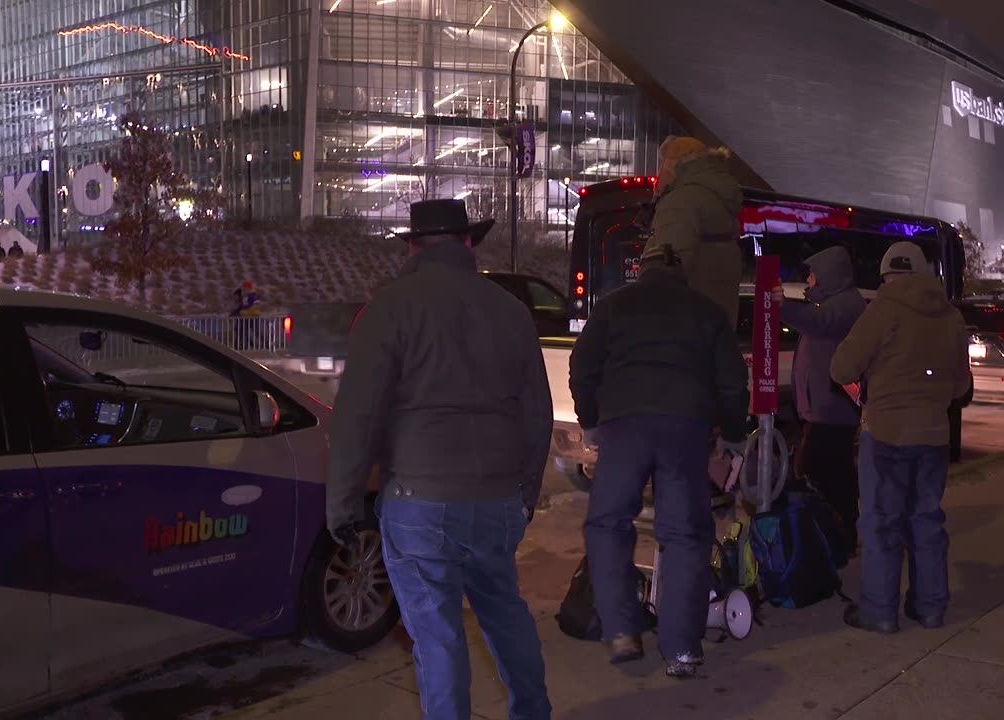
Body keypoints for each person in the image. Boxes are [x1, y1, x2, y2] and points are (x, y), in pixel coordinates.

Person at [326, 199, 553, 720]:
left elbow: (357, 416)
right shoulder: (511, 310)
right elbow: (537, 414)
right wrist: (525, 497)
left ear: (412, 245)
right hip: (497, 501)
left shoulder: (389, 307)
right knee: (506, 615)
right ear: (468, 242)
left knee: (438, 636)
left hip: (419, 502)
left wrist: (342, 505)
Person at [569, 243, 749, 678]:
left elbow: (582, 368)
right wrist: (733, 434)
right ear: (680, 275)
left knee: (608, 523)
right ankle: (682, 648)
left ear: (641, 271)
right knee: (686, 535)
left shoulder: (613, 307)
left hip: (623, 427)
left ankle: (622, 631)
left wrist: (590, 421)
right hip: (684, 430)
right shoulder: (706, 312)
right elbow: (731, 381)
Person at [830, 241, 970, 634]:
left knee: (881, 522)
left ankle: (879, 611)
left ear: (887, 275)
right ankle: (929, 608)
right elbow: (960, 386)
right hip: (933, 437)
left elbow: (842, 368)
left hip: (886, 434)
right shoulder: (950, 316)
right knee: (926, 521)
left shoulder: (883, 309)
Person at [771, 246, 865, 551]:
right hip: (824, 408)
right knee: (830, 470)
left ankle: (838, 534)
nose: (809, 282)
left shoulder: (846, 305)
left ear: (829, 275)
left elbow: (818, 322)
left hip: (834, 409)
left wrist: (781, 306)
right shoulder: (832, 303)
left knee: (818, 468)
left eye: (813, 276)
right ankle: (837, 534)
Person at [640, 136, 744, 328]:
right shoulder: (716, 196)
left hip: (682, 327)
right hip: (714, 322)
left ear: (673, 165)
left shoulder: (681, 202)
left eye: (663, 163)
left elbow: (666, 271)